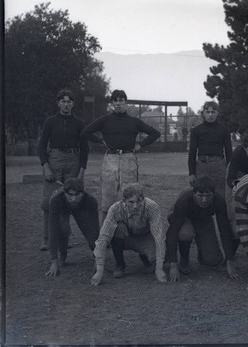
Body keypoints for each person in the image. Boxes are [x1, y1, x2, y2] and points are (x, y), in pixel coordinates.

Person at [81, 89, 160, 226]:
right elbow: (85, 132)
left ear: (125, 102)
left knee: (131, 196)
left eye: (121, 101)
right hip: (110, 159)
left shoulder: (134, 121)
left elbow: (155, 133)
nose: (118, 104)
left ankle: (132, 232)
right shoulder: (105, 120)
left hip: (128, 158)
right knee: (107, 199)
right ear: (112, 103)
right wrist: (100, 141)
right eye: (115, 101)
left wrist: (140, 145)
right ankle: (105, 236)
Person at [37, 88, 89, 251]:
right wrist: (45, 166)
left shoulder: (79, 123)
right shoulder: (50, 121)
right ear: (58, 103)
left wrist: (81, 171)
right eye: (63, 101)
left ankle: (66, 238)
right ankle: (47, 239)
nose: (66, 104)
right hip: (54, 159)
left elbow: (85, 148)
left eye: (69, 101)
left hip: (73, 159)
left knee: (70, 198)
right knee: (49, 201)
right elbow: (41, 144)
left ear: (73, 104)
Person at [90, 183, 167, 285]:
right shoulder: (115, 209)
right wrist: (99, 271)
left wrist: (159, 268)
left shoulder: (152, 207)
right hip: (125, 237)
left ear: (143, 199)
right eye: (131, 202)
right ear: (124, 201)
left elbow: (159, 237)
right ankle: (120, 265)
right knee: (117, 228)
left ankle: (145, 257)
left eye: (139, 201)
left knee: (164, 258)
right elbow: (103, 238)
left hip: (144, 237)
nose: (135, 206)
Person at [166, 176, 238, 282]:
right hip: (183, 217)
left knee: (212, 260)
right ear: (194, 193)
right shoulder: (184, 200)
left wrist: (229, 260)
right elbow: (172, 231)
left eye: (208, 196)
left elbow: (224, 230)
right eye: (200, 195)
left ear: (213, 194)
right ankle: (184, 258)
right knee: (185, 233)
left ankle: (202, 249)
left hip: (203, 218)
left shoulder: (219, 201)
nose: (204, 200)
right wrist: (173, 264)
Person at [45, 178, 100, 277]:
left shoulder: (91, 201)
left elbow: (94, 229)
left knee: (90, 235)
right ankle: (63, 253)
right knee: (62, 229)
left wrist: (98, 259)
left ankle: (96, 255)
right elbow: (53, 230)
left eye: (77, 195)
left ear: (82, 193)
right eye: (70, 195)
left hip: (81, 208)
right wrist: (54, 260)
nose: (73, 199)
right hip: (62, 207)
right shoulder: (56, 200)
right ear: (65, 193)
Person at [188, 101, 232, 197]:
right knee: (202, 193)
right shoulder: (196, 131)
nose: (210, 115)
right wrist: (191, 173)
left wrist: (230, 172)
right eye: (207, 112)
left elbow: (229, 153)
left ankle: (220, 212)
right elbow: (192, 152)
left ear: (217, 113)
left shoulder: (224, 130)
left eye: (213, 112)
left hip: (219, 165)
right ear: (203, 113)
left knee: (220, 194)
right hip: (202, 165)